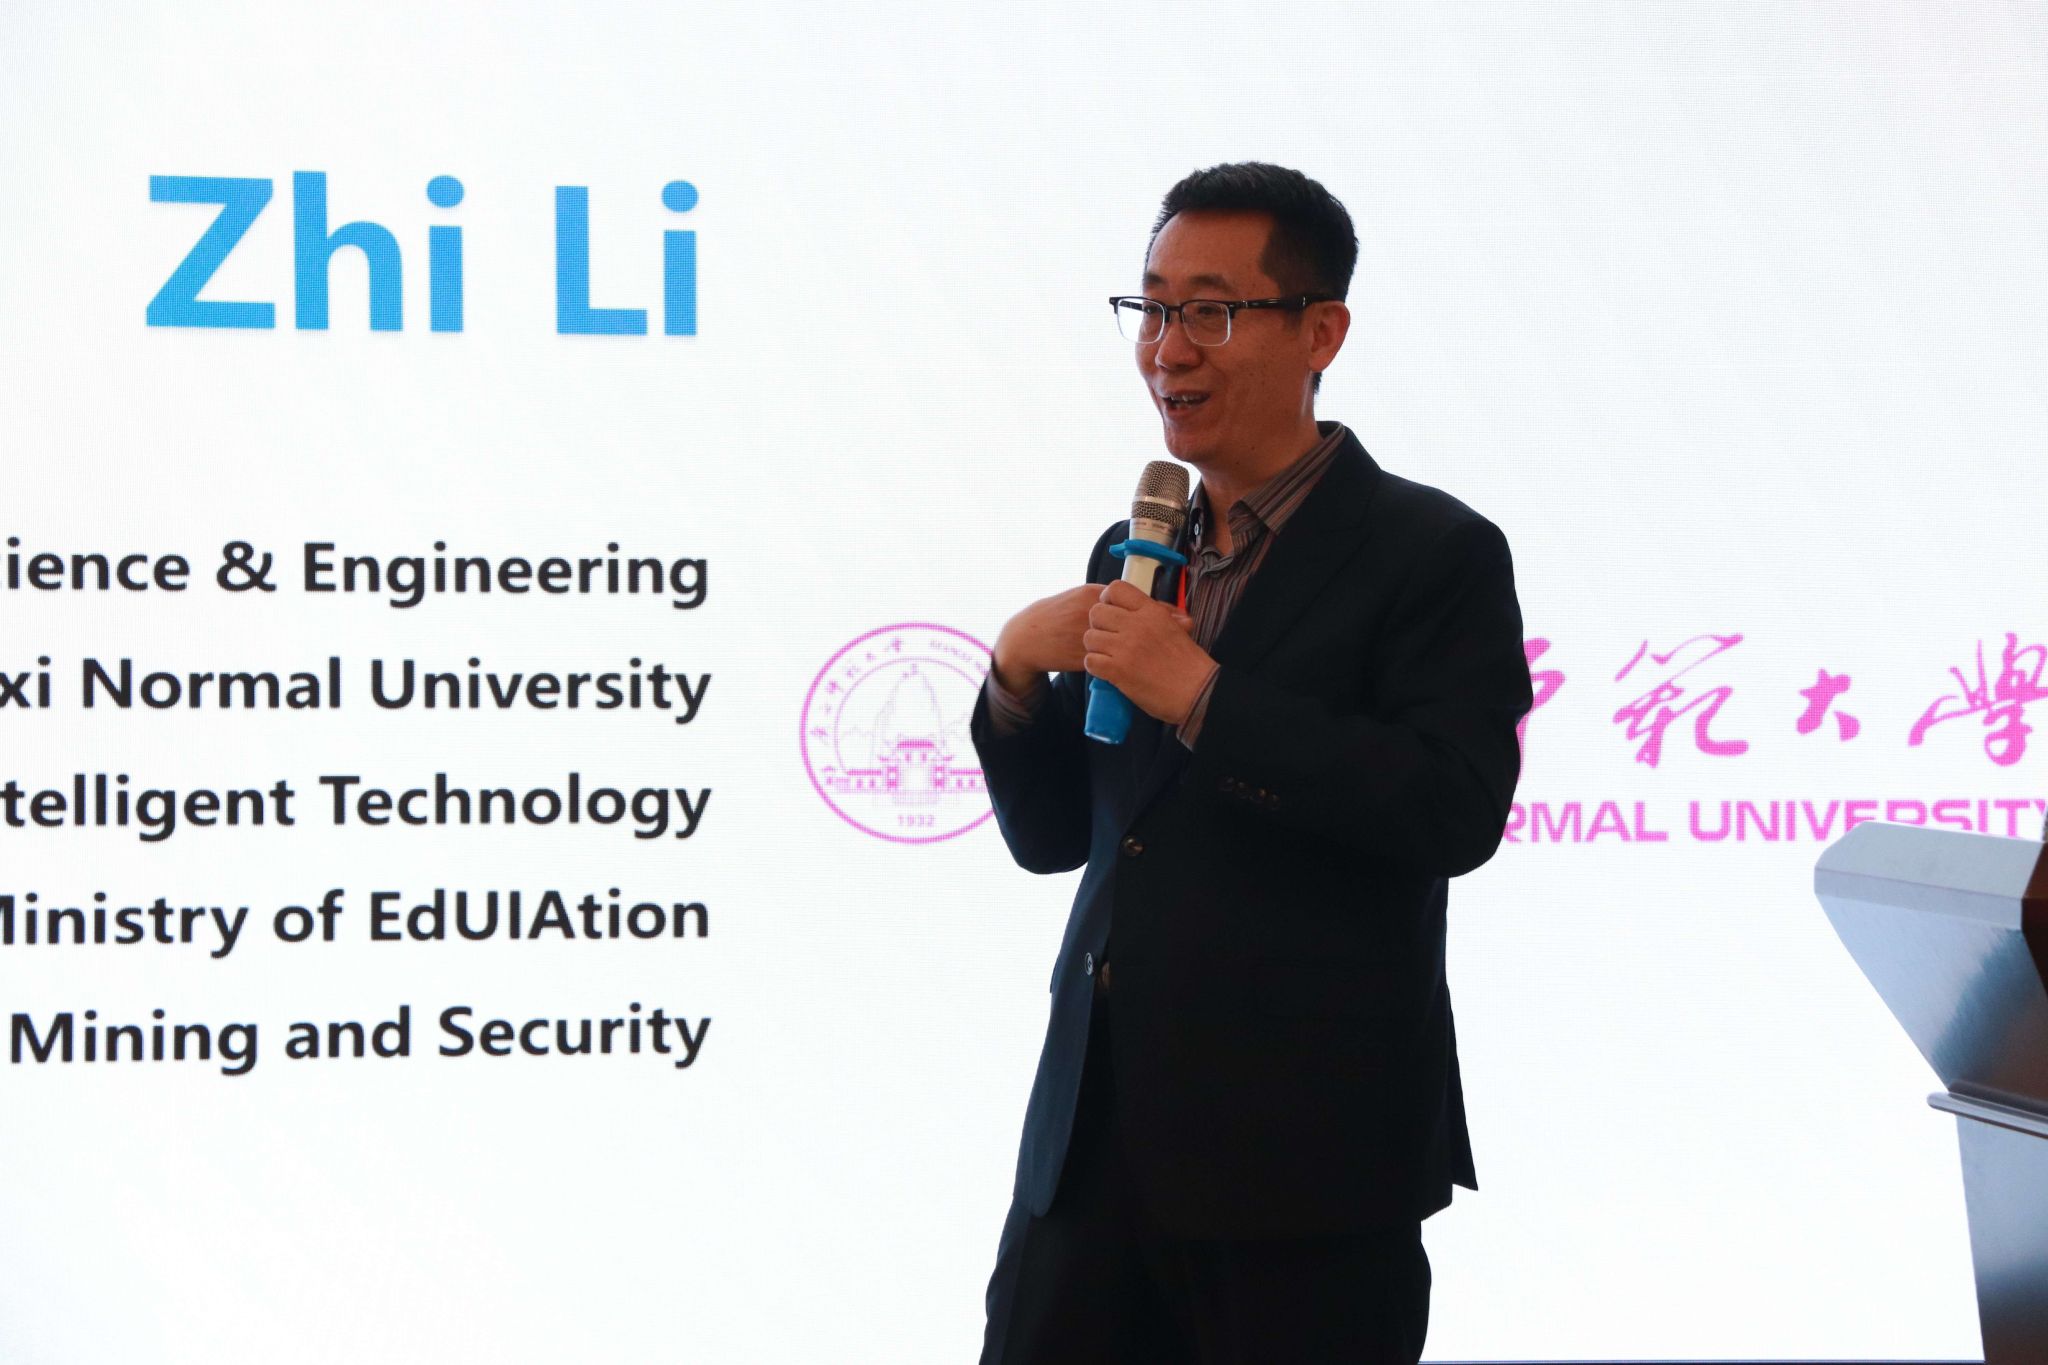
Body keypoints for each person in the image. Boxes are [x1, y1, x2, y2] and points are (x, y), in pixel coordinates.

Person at [970, 162, 1533, 1365]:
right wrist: (1013, 676)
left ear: (1319, 331)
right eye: (1151, 308)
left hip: (1303, 1173)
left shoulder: (1431, 552)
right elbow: (1059, 838)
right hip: (1087, 1153)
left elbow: (1450, 809)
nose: (1167, 348)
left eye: (1210, 311)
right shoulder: (1135, 549)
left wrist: (1205, 699)